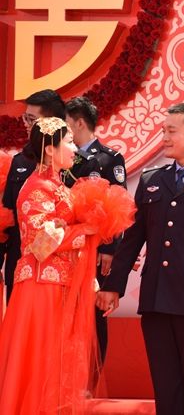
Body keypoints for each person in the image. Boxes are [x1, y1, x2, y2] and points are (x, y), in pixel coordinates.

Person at [97, 103, 184, 415]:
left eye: (171, 131)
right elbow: (134, 237)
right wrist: (113, 285)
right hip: (157, 297)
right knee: (166, 386)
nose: (164, 137)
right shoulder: (152, 179)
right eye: (163, 131)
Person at [0, 117, 98, 413]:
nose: (75, 149)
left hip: (59, 284)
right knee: (41, 359)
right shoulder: (36, 188)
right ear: (49, 149)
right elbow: (41, 244)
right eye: (68, 142)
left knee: (57, 359)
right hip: (41, 286)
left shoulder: (58, 185)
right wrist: (84, 231)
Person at [63, 96, 127, 364]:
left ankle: (93, 373)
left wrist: (110, 249)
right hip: (67, 247)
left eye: (67, 122)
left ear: (79, 123)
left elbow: (119, 206)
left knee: (93, 311)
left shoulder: (109, 158)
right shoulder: (62, 156)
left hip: (97, 250)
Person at [2, 89, 65, 301]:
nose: (26, 124)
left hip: (57, 270)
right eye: (25, 118)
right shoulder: (20, 161)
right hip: (20, 264)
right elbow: (8, 216)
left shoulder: (70, 164)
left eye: (31, 119)